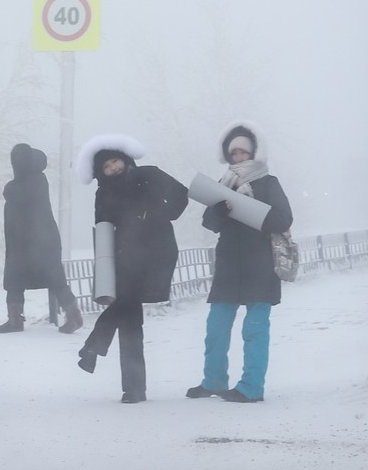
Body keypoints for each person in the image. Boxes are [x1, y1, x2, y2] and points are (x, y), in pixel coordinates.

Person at [75, 135, 188, 403]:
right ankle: (134, 389)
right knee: (129, 318)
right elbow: (102, 227)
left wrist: (163, 213)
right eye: (106, 167)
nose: (113, 168)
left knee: (125, 307)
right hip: (125, 257)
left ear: (124, 158)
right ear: (100, 172)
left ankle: (94, 347)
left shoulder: (149, 175)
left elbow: (181, 194)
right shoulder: (103, 192)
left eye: (114, 161)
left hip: (156, 253)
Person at [186, 123, 293, 404]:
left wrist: (250, 207)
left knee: (255, 329)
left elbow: (283, 219)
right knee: (216, 329)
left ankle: (251, 387)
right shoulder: (224, 183)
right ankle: (214, 381)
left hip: (260, 264)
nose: (239, 157)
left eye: (244, 152)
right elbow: (209, 223)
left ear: (254, 153)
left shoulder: (269, 183)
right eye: (234, 153)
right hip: (229, 264)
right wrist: (220, 211)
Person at [0, 143, 84, 334]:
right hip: (26, 242)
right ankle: (15, 319)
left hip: (39, 242)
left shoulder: (33, 182)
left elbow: (16, 194)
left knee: (52, 278)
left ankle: (73, 316)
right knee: (16, 279)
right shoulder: (32, 182)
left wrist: (9, 188)